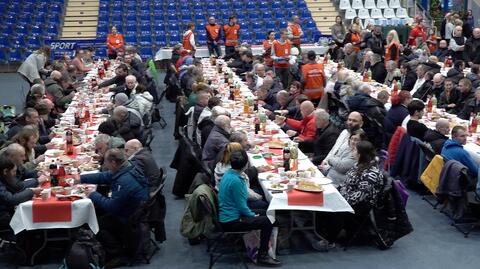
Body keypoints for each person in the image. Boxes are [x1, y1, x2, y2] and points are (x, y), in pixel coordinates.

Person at [76, 148, 148, 266]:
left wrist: (93, 194)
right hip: (135, 209)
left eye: (106, 162)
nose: (104, 165)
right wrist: (81, 179)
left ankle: (118, 254)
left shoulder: (124, 182)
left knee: (95, 225)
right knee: (99, 214)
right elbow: (105, 176)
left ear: (113, 163)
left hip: (129, 217)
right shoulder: (127, 167)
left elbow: (111, 207)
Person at [218, 150, 281, 267]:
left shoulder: (228, 174)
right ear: (246, 164)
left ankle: (269, 246)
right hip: (232, 220)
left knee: (266, 212)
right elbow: (242, 206)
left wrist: (252, 214)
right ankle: (263, 255)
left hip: (227, 214)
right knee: (267, 221)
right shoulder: (237, 181)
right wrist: (252, 215)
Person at [214, 143, 266, 209]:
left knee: (260, 189)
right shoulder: (234, 172)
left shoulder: (220, 164)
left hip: (227, 197)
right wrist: (260, 197)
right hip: (234, 204)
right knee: (265, 203)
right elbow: (246, 194)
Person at [0, 155, 42, 230]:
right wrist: (31, 191)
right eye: (13, 172)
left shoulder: (4, 176)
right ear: (5, 171)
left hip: (8, 209)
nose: (15, 174)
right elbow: (11, 199)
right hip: (4, 216)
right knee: (31, 216)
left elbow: (17, 188)